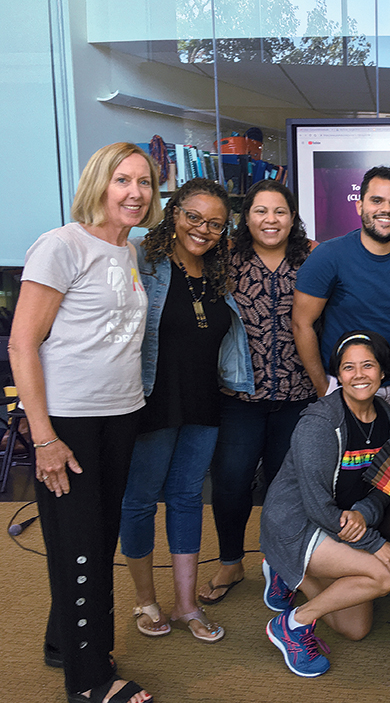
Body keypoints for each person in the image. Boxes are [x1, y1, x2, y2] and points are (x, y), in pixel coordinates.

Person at [8, 142, 161, 703]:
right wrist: (43, 437)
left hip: (119, 415)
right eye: (123, 180)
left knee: (96, 538)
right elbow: (23, 345)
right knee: (79, 546)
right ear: (99, 183)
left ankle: (63, 642)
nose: (135, 193)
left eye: (145, 182)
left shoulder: (128, 251)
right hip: (69, 422)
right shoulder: (61, 245)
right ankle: (89, 682)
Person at [119, 178, 245, 644]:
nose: (203, 229)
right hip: (150, 401)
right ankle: (146, 600)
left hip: (203, 401)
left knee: (189, 498)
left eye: (215, 223)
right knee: (139, 500)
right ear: (173, 213)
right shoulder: (139, 260)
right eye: (194, 217)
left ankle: (187, 604)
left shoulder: (219, 270)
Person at [261, 331, 390, 677]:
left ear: (382, 371)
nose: (359, 375)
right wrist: (375, 544)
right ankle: (291, 625)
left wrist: (363, 513)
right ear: (338, 375)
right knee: (383, 575)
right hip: (298, 522)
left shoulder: (387, 416)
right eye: (348, 367)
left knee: (355, 629)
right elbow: (317, 508)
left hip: (342, 521)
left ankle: (287, 573)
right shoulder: (320, 423)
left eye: (367, 365)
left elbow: (383, 487)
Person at [198, 180, 317, 605]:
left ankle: (282, 566)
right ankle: (230, 560)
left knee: (285, 488)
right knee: (230, 482)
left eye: (280, 211)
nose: (271, 220)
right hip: (239, 396)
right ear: (246, 217)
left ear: (292, 217)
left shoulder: (313, 259)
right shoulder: (225, 260)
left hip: (298, 393)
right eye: (261, 211)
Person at [293, 165, 390, 428]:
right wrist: (324, 387)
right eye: (376, 200)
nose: (386, 210)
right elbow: (302, 324)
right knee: (349, 464)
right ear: (360, 206)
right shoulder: (328, 256)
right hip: (348, 383)